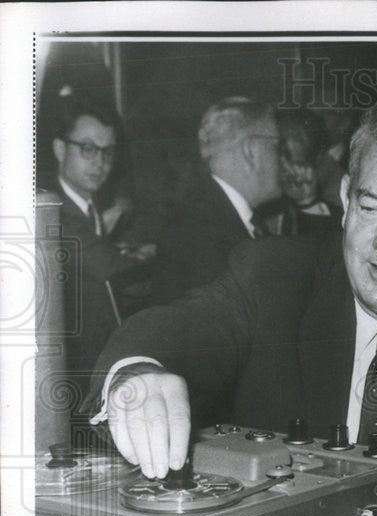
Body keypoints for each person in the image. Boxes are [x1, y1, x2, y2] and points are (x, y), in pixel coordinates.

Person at [90, 100, 377, 516]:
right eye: (370, 207)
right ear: (344, 197)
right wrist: (136, 374)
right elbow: (176, 330)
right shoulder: (274, 278)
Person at [152, 97, 282, 304]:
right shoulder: (200, 231)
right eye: (276, 146)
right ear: (251, 151)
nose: (282, 159)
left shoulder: (222, 213)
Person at [48, 95, 133, 407]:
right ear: (60, 149)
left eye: (108, 152)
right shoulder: (55, 211)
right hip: (70, 379)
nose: (100, 162)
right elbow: (111, 268)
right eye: (88, 149)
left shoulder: (89, 207)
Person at [263, 108, 337, 238]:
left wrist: (307, 201)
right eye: (278, 155)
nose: (285, 169)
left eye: (298, 164)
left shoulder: (335, 196)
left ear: (316, 161)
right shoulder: (256, 194)